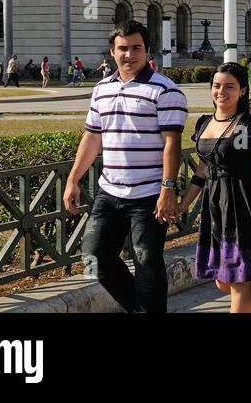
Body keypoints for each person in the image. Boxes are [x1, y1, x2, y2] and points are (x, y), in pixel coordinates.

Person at [63, 20, 188, 313]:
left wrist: (167, 189)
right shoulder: (101, 88)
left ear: (147, 51)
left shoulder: (165, 91)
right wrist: (73, 180)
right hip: (109, 191)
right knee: (94, 256)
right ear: (112, 51)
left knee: (147, 262)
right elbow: (92, 138)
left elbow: (173, 144)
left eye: (136, 48)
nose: (129, 55)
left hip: (149, 194)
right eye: (123, 48)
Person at [178, 62, 251, 313]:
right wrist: (185, 203)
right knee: (222, 280)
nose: (221, 91)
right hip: (215, 207)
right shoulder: (204, 124)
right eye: (216, 86)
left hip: (245, 204)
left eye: (229, 86)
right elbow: (202, 171)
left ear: (243, 91)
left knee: (238, 279)